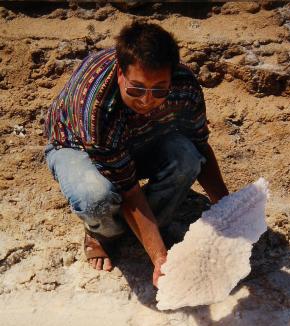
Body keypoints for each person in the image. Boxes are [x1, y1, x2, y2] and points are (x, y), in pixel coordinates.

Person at [44, 20, 228, 287]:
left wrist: (227, 206)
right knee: (96, 197)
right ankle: (102, 235)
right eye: (136, 88)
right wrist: (160, 258)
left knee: (188, 158)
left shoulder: (185, 86)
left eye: (159, 90)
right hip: (77, 146)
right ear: (120, 72)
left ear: (172, 76)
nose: (146, 100)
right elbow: (129, 191)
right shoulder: (94, 106)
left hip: (138, 136)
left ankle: (146, 226)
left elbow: (199, 144)